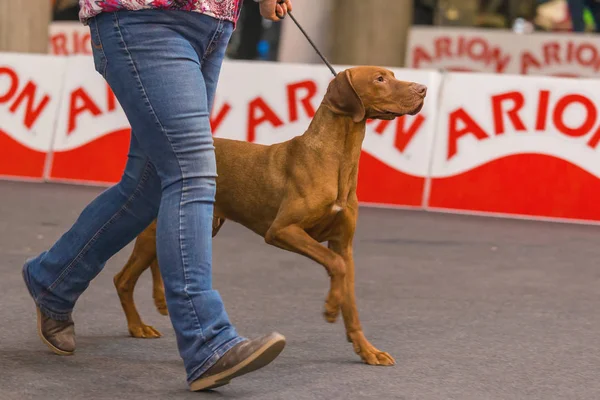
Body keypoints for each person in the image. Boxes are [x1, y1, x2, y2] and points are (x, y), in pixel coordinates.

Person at [22, 0, 292, 392]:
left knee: (146, 188)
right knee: (192, 171)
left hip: (212, 24)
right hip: (144, 19)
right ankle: (207, 342)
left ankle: (53, 279)